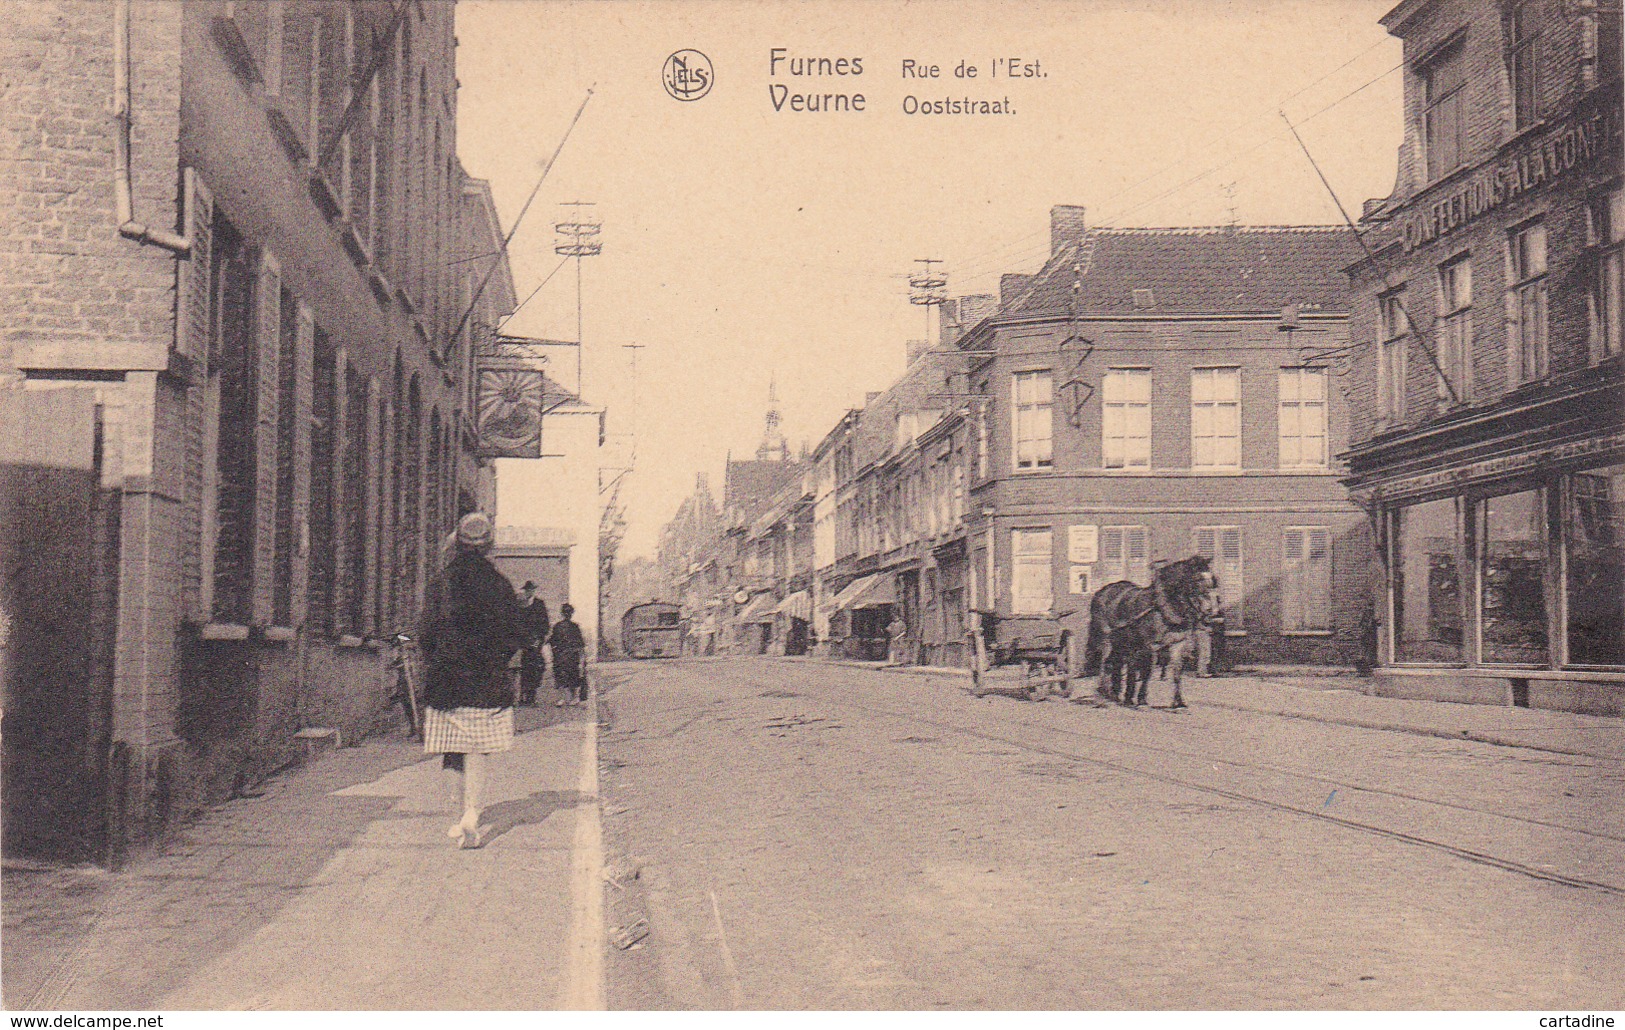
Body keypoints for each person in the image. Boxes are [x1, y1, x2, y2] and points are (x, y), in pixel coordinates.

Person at [419, 511, 525, 849]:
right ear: (489, 546)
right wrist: (496, 660)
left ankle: (455, 819)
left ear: (457, 544)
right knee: (478, 749)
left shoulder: (440, 584)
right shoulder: (500, 585)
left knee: (452, 748)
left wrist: (436, 660)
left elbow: (424, 632)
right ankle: (472, 815)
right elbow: (515, 634)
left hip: (447, 679)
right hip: (486, 680)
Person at [517, 581, 551, 705]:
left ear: (533, 591)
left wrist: (539, 640)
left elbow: (545, 623)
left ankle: (531, 696)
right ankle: (523, 697)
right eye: (527, 590)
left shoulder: (539, 604)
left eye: (531, 590)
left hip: (536, 642)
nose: (529, 592)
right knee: (524, 669)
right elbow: (517, 623)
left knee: (536, 668)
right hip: (524, 643)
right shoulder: (520, 604)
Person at [548, 602, 588, 706]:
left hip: (562, 655)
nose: (567, 614)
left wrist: (555, 651)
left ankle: (564, 698)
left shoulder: (558, 626)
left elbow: (552, 641)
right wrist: (581, 656)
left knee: (562, 676)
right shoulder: (574, 626)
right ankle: (572, 698)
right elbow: (580, 644)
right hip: (569, 655)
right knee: (571, 676)